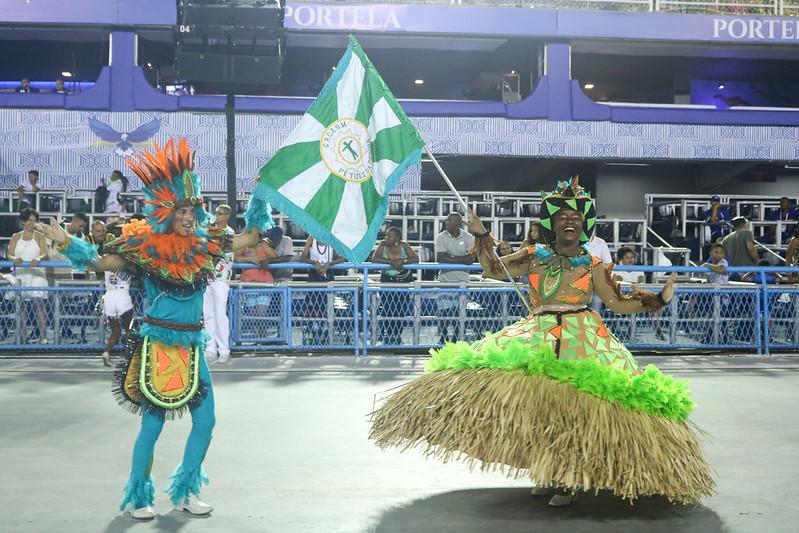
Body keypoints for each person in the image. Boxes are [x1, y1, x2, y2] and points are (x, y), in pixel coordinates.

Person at [371, 177, 714, 507]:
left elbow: (617, 302)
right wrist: (482, 236)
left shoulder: (593, 262)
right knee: (541, 409)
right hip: (537, 334)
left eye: (575, 217)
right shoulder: (534, 254)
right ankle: (549, 469)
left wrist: (659, 300)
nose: (569, 221)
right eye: (563, 216)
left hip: (582, 337)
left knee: (575, 410)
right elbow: (493, 270)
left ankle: (569, 478)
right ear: (553, 222)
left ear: (583, 225)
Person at [36, 139, 271, 519]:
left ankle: (185, 490)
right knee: (152, 426)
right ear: (166, 212)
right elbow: (99, 262)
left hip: (192, 347)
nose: (188, 216)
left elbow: (251, 238)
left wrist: (261, 195)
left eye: (192, 209)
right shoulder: (145, 247)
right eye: (180, 209)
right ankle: (139, 496)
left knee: (207, 420)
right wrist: (68, 243)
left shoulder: (207, 244)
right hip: (158, 346)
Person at [8, 208, 49, 344]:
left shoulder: (40, 236)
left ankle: (43, 336)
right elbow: (10, 254)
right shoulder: (15, 237)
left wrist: (38, 259)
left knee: (39, 306)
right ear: (23, 222)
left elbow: (45, 253)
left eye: (35, 220)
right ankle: (22, 336)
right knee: (21, 307)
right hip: (20, 275)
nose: (33, 223)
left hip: (36, 274)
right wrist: (14, 259)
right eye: (30, 220)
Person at [373, 227, 419, 345]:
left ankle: (397, 335)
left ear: (397, 237)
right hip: (387, 281)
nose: (386, 238)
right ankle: (388, 335)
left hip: (402, 282)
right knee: (387, 309)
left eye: (390, 236)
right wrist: (391, 262)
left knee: (401, 310)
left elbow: (415, 259)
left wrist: (402, 261)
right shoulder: (383, 245)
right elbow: (375, 259)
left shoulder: (404, 245)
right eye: (386, 235)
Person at [435, 213, 476, 343]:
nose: (447, 222)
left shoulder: (469, 237)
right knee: (443, 312)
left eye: (450, 221)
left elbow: (471, 259)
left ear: (459, 223)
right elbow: (440, 258)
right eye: (447, 221)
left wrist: (451, 258)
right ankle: (443, 337)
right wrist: (461, 259)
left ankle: (457, 338)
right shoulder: (440, 237)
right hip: (445, 280)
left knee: (460, 312)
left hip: (462, 281)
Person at [203, 205, 236, 364]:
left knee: (220, 313)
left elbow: (221, 252)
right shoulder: (209, 229)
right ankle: (210, 347)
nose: (217, 216)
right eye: (216, 213)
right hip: (206, 277)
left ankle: (224, 349)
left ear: (227, 216)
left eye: (220, 213)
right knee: (207, 313)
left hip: (221, 278)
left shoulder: (229, 232)